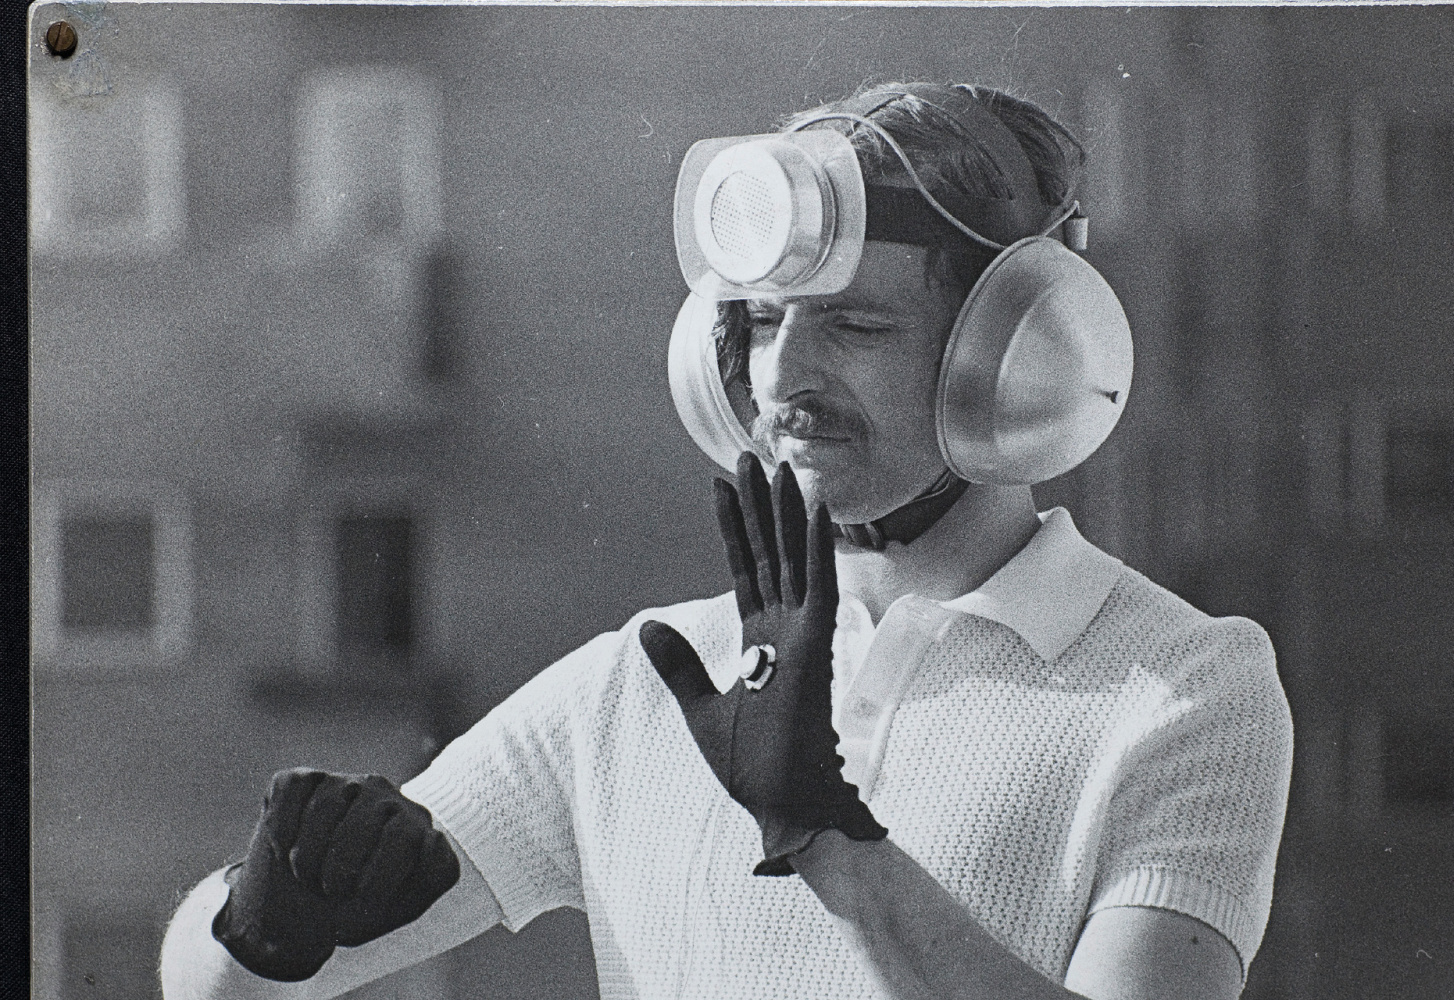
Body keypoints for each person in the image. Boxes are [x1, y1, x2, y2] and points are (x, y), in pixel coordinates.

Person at [161, 82, 1293, 1000]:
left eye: (853, 324)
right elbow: (216, 988)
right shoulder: (649, 679)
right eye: (754, 322)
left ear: (1018, 353)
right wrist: (267, 919)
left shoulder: (1186, 687)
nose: (782, 375)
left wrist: (841, 854)